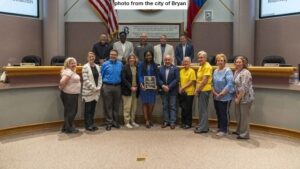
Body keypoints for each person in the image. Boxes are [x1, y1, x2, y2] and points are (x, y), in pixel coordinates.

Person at [212, 53, 234, 136]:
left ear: (225, 61)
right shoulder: (215, 70)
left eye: (221, 60)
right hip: (216, 95)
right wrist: (214, 92)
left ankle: (224, 129)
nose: (219, 62)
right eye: (218, 60)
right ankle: (219, 127)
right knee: (218, 112)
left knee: (223, 113)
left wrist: (221, 93)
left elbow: (230, 84)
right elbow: (212, 83)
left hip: (225, 96)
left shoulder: (228, 70)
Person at [233, 56, 254, 139]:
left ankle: (244, 134)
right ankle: (239, 130)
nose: (238, 64)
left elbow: (244, 87)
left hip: (246, 97)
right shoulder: (236, 71)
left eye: (240, 62)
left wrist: (238, 98)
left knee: (244, 116)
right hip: (238, 95)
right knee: (238, 115)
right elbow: (235, 85)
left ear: (244, 63)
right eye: (236, 62)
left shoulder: (246, 72)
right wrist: (236, 96)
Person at [101, 49, 123, 131]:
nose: (113, 56)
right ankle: (109, 123)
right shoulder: (105, 64)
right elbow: (101, 76)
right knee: (108, 106)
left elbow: (122, 75)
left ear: (117, 56)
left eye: (114, 55)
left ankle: (115, 122)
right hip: (107, 86)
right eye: (111, 54)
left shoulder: (120, 64)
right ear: (109, 55)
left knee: (116, 106)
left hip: (118, 87)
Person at [59, 57, 81, 134]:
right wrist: (61, 88)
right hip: (69, 95)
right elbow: (62, 82)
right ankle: (69, 128)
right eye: (72, 63)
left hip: (71, 94)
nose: (74, 64)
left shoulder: (70, 71)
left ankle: (65, 127)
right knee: (72, 112)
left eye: (75, 63)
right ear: (67, 64)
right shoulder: (69, 72)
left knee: (69, 112)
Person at [82, 52, 102, 132]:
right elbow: (85, 80)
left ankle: (92, 124)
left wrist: (99, 87)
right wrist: (94, 88)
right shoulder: (85, 67)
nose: (91, 58)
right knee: (88, 109)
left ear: (95, 57)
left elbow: (100, 78)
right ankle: (88, 125)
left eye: (93, 56)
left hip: (96, 91)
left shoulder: (98, 66)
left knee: (93, 109)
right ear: (87, 58)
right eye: (90, 56)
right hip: (88, 91)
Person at [138, 50, 158, 128]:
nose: (148, 57)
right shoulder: (141, 64)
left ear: (152, 56)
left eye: (150, 55)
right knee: (145, 103)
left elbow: (157, 76)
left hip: (152, 88)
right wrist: (141, 84)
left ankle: (150, 118)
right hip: (144, 87)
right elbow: (139, 75)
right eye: (147, 55)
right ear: (145, 56)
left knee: (151, 104)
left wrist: (156, 85)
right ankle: (146, 120)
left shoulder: (155, 65)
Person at [158, 55, 179, 129]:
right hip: (163, 90)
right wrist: (163, 85)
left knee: (172, 107)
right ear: (164, 60)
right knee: (165, 106)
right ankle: (166, 121)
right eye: (166, 60)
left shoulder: (175, 68)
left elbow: (176, 79)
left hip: (172, 91)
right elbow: (158, 79)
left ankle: (172, 122)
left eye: (169, 60)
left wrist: (169, 87)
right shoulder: (160, 68)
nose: (167, 61)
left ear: (171, 60)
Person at [194, 51, 212, 134]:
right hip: (201, 89)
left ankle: (203, 128)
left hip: (204, 90)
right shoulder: (201, 66)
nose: (200, 59)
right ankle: (203, 125)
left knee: (203, 110)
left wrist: (197, 89)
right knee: (201, 109)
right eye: (199, 57)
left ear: (205, 58)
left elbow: (204, 81)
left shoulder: (207, 66)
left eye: (201, 57)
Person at [121, 54, 140, 128]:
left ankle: (132, 121)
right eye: (130, 58)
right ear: (128, 60)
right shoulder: (125, 67)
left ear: (135, 60)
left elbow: (138, 78)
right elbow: (123, 79)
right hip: (127, 90)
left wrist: (137, 87)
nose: (132, 60)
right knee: (127, 107)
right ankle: (127, 122)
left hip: (135, 90)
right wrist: (130, 87)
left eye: (133, 58)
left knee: (134, 107)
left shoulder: (137, 67)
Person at [179, 57, 196, 129]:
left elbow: (191, 82)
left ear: (190, 63)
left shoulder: (191, 71)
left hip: (189, 92)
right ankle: (183, 122)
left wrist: (183, 88)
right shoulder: (181, 71)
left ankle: (188, 123)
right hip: (182, 92)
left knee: (188, 108)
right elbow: (179, 81)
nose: (185, 63)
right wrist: (179, 88)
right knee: (183, 108)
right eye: (184, 62)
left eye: (187, 62)